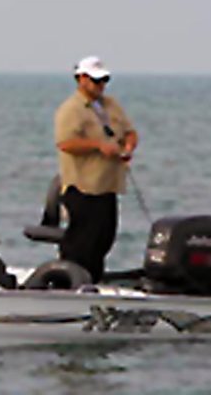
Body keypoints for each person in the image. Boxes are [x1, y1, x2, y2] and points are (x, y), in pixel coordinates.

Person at [53, 56, 138, 283]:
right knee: (81, 243)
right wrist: (98, 146)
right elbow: (65, 143)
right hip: (83, 188)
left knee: (103, 239)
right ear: (81, 79)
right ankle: (70, 284)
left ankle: (94, 283)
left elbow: (130, 132)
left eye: (104, 80)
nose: (101, 86)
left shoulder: (111, 105)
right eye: (96, 80)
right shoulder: (71, 109)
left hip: (108, 187)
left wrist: (128, 147)